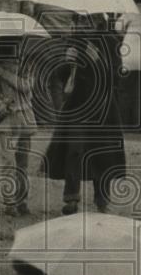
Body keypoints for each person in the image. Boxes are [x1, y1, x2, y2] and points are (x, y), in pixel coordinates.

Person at [44, 14, 126, 215]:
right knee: (74, 149)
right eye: (80, 21)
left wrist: (97, 60)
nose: (84, 25)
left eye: (88, 20)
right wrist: (66, 61)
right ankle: (71, 198)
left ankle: (101, 199)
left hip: (103, 108)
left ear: (98, 21)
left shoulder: (110, 41)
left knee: (101, 152)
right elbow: (61, 77)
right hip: (76, 106)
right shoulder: (73, 41)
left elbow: (115, 78)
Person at [0, 36, 37, 216]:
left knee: (21, 162)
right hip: (8, 118)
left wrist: (3, 74)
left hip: (24, 117)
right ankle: (10, 202)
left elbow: (26, 87)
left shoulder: (24, 67)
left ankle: (21, 200)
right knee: (10, 161)